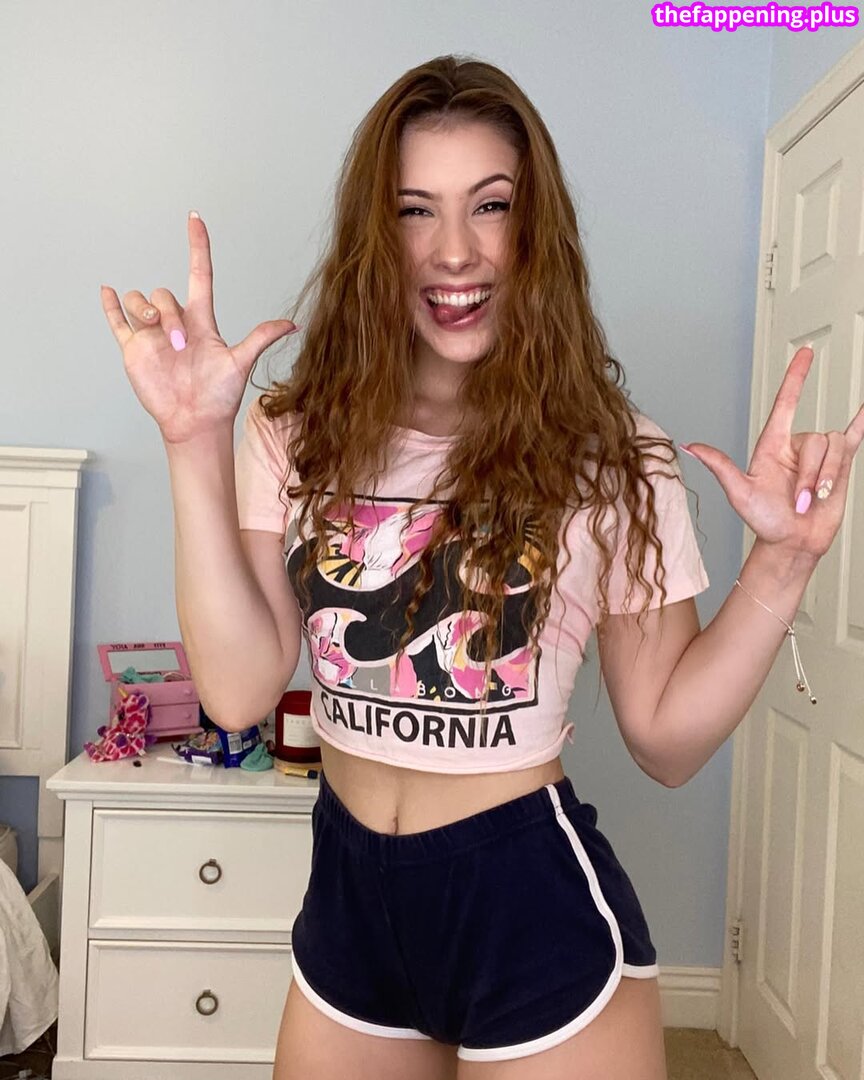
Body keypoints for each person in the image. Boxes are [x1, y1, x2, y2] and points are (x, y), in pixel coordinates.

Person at [100, 53, 863, 1080]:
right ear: (376, 238)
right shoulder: (298, 430)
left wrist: (782, 564)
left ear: (536, 228)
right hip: (349, 900)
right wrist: (193, 438)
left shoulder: (610, 453)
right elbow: (238, 694)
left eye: (490, 205)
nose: (454, 250)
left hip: (526, 903)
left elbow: (667, 740)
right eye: (414, 210)